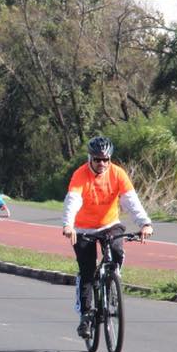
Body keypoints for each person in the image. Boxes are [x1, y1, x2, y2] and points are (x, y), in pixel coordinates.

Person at [61, 136, 153, 337]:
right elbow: (73, 201)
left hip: (109, 224)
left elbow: (131, 201)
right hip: (83, 229)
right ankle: (85, 316)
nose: (101, 164)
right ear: (90, 158)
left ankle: (113, 280)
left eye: (105, 160)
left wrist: (145, 223)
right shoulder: (80, 175)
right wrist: (68, 225)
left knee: (118, 250)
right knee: (87, 271)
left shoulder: (118, 174)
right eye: (97, 159)